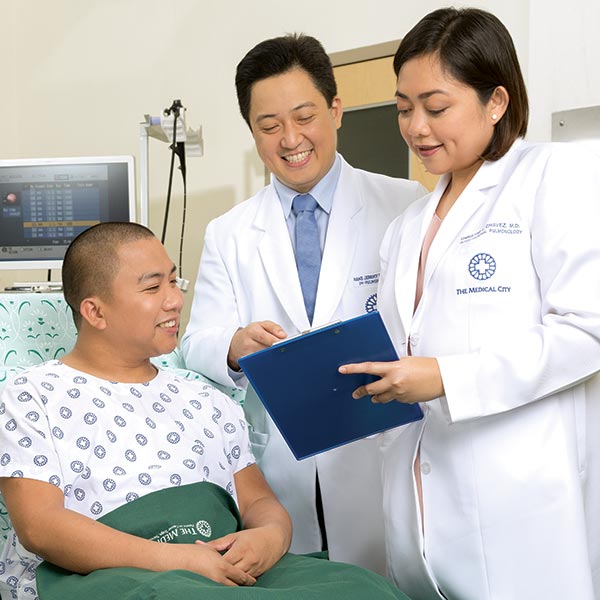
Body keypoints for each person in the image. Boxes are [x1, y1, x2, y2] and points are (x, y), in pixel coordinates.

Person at [339, 7, 600, 600]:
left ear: (497, 102)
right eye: (404, 108)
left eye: (436, 107)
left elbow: (589, 330)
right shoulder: (406, 226)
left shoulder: (553, 177)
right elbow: (400, 344)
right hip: (419, 504)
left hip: (520, 502)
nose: (415, 127)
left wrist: (447, 377)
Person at [181, 33, 426, 573]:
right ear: (252, 131)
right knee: (301, 579)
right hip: (282, 465)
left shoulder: (406, 205)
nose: (290, 139)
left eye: (304, 116)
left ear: (336, 110)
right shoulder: (229, 232)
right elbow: (195, 342)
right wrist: (233, 345)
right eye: (269, 126)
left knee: (386, 579)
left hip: (379, 447)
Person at [0, 222, 292, 598]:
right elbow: (41, 527)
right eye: (153, 287)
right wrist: (180, 560)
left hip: (221, 570)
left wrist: (271, 536)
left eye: (174, 281)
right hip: (103, 579)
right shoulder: (32, 397)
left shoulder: (205, 399)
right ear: (95, 312)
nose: (174, 300)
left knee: (359, 586)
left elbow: (259, 502)